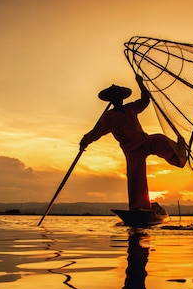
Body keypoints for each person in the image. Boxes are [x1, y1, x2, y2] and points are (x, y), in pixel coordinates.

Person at [80, 75, 187, 211]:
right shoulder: (110, 116)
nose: (117, 100)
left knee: (160, 140)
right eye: (115, 98)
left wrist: (140, 83)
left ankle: (180, 156)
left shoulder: (130, 108)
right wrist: (85, 141)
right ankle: (139, 208)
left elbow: (145, 100)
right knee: (136, 178)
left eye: (119, 97)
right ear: (111, 100)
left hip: (145, 141)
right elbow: (96, 131)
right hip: (132, 151)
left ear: (122, 99)